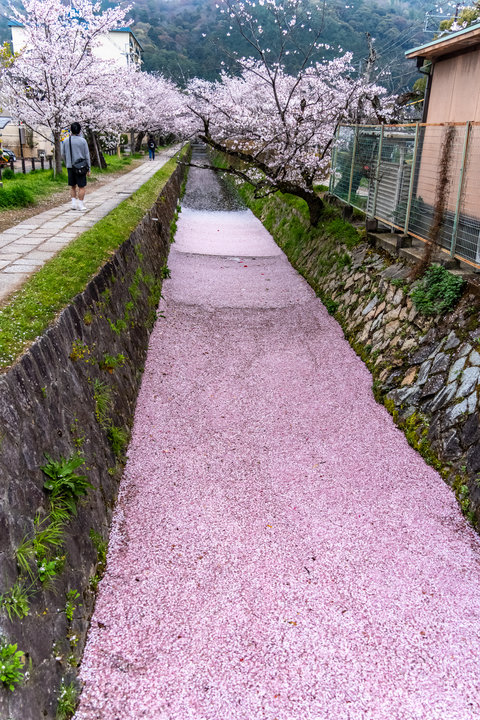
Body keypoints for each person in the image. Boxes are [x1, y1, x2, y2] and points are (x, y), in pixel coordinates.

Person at [61, 122, 91, 211]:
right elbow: (87, 155)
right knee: (81, 187)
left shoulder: (66, 141)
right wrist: (89, 168)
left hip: (70, 166)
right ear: (79, 130)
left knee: (72, 186)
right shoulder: (83, 141)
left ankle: (73, 204)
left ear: (71, 130)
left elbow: (63, 154)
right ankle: (81, 205)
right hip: (81, 167)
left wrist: (67, 162)